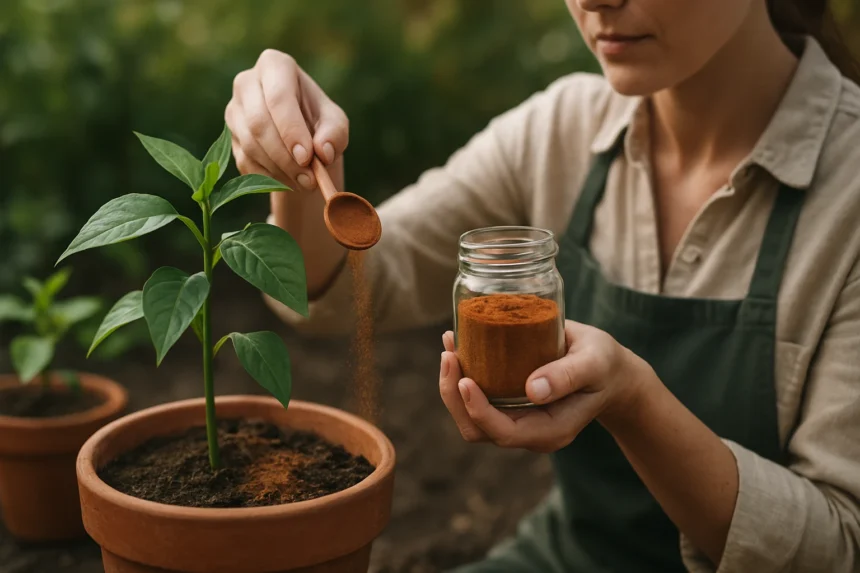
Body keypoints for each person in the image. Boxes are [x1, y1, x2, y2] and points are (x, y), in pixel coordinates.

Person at [224, 0, 860, 570]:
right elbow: (336, 291)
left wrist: (634, 401)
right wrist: (300, 173)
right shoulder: (563, 129)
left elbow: (837, 548)